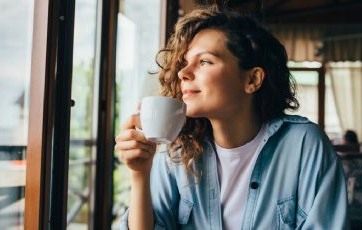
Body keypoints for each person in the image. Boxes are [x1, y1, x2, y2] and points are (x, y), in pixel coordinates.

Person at [116, 7, 349, 229]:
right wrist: (140, 174)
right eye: (185, 64)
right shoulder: (177, 149)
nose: (183, 73)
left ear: (252, 80)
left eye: (205, 61)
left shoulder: (304, 144)